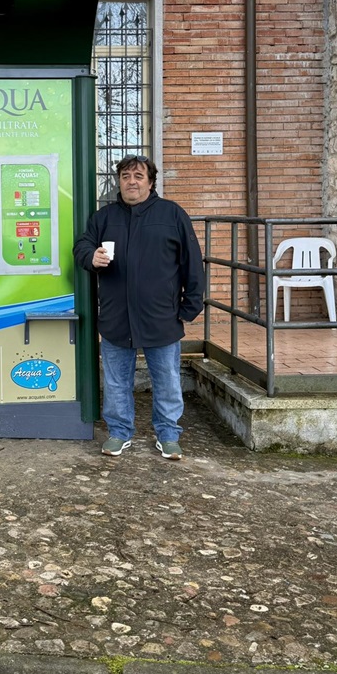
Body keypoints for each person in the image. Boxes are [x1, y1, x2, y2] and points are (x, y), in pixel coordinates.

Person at [73, 154, 204, 460]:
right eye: (126, 176)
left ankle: (169, 435)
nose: (131, 182)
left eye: (138, 176)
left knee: (168, 380)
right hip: (117, 317)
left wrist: (189, 308)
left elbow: (192, 265)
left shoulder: (172, 215)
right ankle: (119, 433)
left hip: (161, 317)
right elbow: (82, 245)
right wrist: (90, 257)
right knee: (117, 381)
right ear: (119, 181)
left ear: (151, 182)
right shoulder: (103, 218)